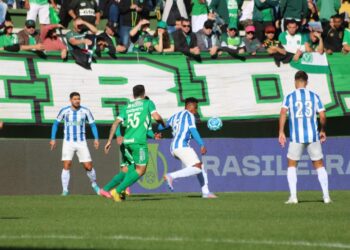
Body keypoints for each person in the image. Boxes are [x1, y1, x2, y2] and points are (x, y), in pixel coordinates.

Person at [104, 85, 165, 202]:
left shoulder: (127, 107)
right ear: (144, 93)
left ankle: (117, 190)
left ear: (133, 95)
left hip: (127, 142)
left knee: (131, 167)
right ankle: (117, 191)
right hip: (139, 143)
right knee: (141, 170)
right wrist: (163, 122)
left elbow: (115, 124)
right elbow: (156, 117)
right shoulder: (148, 103)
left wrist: (109, 141)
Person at [279, 70, 331, 204]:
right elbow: (323, 116)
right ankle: (326, 197)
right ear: (306, 82)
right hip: (313, 136)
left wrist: (281, 132)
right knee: (319, 165)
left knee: (291, 165)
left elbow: (283, 113)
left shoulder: (290, 96)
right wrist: (322, 130)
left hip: (297, 137)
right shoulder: (314, 96)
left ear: (295, 82)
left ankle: (294, 197)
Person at [159, 97, 216, 199]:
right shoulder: (189, 115)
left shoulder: (174, 116)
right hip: (181, 145)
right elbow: (193, 130)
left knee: (200, 167)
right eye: (196, 107)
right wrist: (201, 144)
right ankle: (171, 176)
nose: (196, 110)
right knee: (197, 167)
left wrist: (159, 131)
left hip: (174, 147)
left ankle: (205, 192)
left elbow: (161, 127)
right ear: (189, 106)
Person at [50, 92, 100, 196]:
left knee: (88, 166)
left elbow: (93, 125)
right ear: (70, 100)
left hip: (81, 142)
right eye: (75, 99)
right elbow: (55, 124)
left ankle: (94, 184)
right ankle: (65, 190)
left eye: (78, 99)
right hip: (68, 142)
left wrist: (96, 139)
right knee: (67, 164)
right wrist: (53, 139)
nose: (77, 101)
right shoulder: (65, 111)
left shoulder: (85, 111)